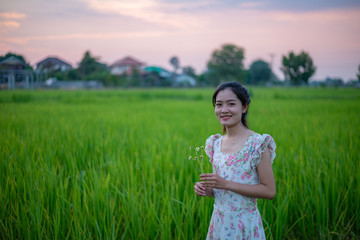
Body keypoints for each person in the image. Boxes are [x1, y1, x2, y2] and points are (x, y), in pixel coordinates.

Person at [194, 81, 276, 239]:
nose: (223, 110)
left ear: (244, 107)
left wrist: (226, 184)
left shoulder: (257, 144)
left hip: (244, 224)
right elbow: (222, 192)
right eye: (218, 105)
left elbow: (269, 191)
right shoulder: (215, 144)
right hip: (220, 222)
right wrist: (207, 189)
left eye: (231, 104)